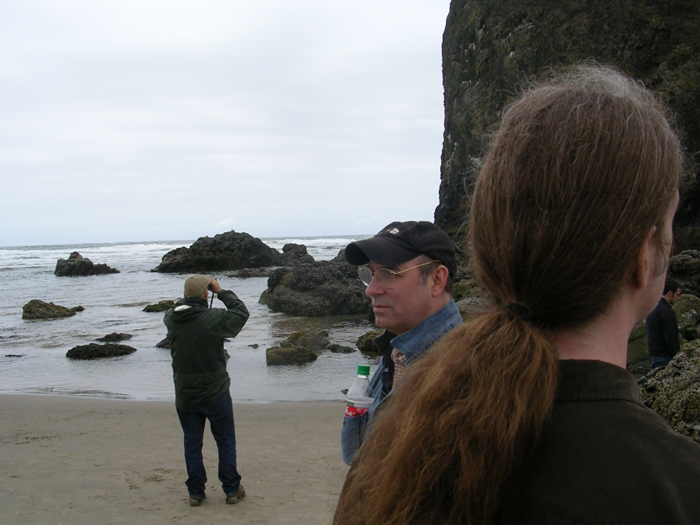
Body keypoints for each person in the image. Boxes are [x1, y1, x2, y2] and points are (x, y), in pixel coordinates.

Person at [334, 65, 700, 524]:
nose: (373, 287)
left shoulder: (403, 439)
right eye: (667, 225)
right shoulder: (676, 488)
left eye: (386, 272)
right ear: (645, 255)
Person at [340, 221, 463, 465]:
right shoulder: (398, 352)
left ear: (436, 280)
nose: (371, 290)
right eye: (371, 274)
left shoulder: (459, 373)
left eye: (388, 273)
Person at [164, 274, 249, 507]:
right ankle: (232, 489)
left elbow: (176, 309)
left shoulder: (171, 318)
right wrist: (220, 291)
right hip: (215, 392)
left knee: (192, 442)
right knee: (225, 441)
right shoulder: (212, 318)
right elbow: (241, 313)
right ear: (205, 294)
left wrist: (193, 295)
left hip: (185, 393)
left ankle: (195, 492)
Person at [646, 279, 682, 368]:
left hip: (653, 353)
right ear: (670, 293)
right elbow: (671, 337)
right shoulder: (667, 312)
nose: (678, 298)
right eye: (677, 295)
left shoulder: (652, 307)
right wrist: (677, 357)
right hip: (665, 356)